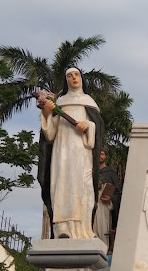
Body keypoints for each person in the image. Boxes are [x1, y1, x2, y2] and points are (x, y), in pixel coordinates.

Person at [38, 68, 104, 239]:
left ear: (81, 78)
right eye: (69, 76)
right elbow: (50, 134)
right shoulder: (60, 102)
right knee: (62, 186)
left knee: (85, 187)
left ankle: (85, 230)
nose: (73, 78)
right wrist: (46, 113)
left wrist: (88, 126)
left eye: (76, 75)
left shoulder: (89, 102)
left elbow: (98, 130)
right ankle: (62, 230)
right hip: (62, 152)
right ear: (66, 81)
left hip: (82, 152)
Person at [94, 149, 122, 245]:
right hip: (92, 205)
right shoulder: (91, 172)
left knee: (103, 229)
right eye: (98, 154)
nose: (100, 156)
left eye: (102, 154)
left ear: (105, 156)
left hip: (105, 208)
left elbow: (117, 192)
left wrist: (111, 200)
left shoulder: (110, 172)